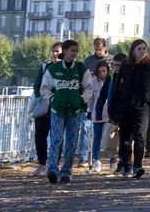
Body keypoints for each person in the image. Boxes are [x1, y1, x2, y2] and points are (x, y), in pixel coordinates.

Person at [39, 39, 93, 183]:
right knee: (56, 139)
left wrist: (81, 100)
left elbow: (89, 88)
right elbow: (44, 88)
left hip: (75, 111)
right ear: (65, 51)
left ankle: (67, 171)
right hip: (57, 110)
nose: (74, 53)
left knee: (71, 141)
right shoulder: (54, 69)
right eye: (72, 50)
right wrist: (52, 99)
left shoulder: (81, 69)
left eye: (76, 51)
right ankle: (52, 169)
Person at [110, 39, 150, 179]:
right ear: (133, 50)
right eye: (139, 48)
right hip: (125, 107)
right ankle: (126, 164)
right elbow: (116, 90)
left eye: (144, 48)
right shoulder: (125, 68)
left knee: (140, 136)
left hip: (143, 108)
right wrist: (113, 111)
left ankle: (137, 165)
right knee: (125, 138)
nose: (142, 51)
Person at [30, 41, 63, 178]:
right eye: (54, 51)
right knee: (40, 136)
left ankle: (54, 163)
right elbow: (37, 85)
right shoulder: (45, 67)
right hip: (44, 106)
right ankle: (42, 162)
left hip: (59, 107)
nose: (55, 54)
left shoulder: (67, 68)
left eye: (58, 51)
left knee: (57, 137)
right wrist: (41, 96)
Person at [77, 37, 109, 167]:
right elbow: (82, 77)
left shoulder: (110, 60)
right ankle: (84, 157)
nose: (98, 52)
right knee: (86, 128)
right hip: (91, 97)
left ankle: (107, 157)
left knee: (108, 133)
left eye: (100, 50)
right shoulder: (89, 60)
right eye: (96, 49)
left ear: (105, 48)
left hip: (106, 100)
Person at [88, 60, 112, 172]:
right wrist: (90, 111)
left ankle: (113, 159)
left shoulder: (111, 81)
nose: (102, 73)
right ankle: (96, 160)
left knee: (110, 138)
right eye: (100, 71)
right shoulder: (93, 82)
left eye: (104, 71)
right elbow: (91, 99)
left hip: (110, 115)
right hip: (97, 114)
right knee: (96, 138)